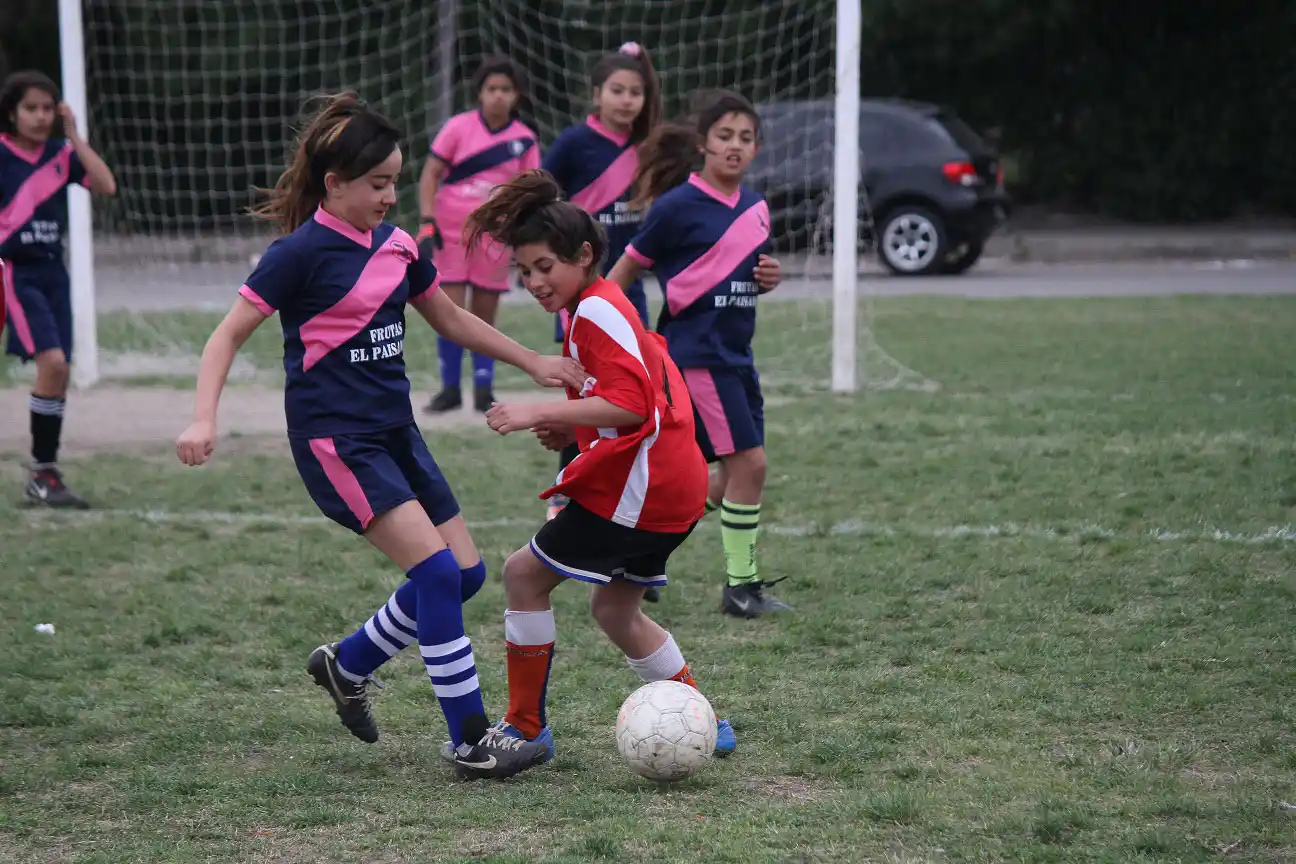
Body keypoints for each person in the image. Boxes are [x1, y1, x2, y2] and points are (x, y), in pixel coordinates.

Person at [174, 93, 584, 781]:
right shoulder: (296, 255)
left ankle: (347, 663)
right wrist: (203, 416)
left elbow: (451, 319)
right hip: (337, 442)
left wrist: (533, 361)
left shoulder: (397, 246)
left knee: (467, 576)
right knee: (433, 574)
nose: (391, 195)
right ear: (333, 184)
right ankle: (470, 740)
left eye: (396, 180)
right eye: (377, 183)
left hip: (396, 433)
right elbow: (227, 335)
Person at [428, 169, 737, 765]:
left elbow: (631, 404)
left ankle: (525, 729)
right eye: (524, 271)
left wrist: (532, 411)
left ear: (585, 255)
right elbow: (638, 395)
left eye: (545, 267)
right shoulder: (600, 306)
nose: (535, 282)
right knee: (615, 608)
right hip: (678, 482)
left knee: (523, 576)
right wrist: (571, 426)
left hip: (643, 488)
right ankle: (703, 717)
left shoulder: (594, 313)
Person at [607, 90, 792, 619]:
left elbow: (738, 278)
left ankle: (634, 557)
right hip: (696, 355)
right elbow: (625, 270)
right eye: (725, 136)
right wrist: (614, 332)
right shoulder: (676, 207)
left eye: (746, 138)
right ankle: (741, 588)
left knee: (719, 478)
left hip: (737, 353)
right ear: (703, 144)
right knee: (750, 465)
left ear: (756, 148)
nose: (735, 146)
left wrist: (768, 279)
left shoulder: (756, 208)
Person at [539, 42, 663, 531]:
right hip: (581, 295)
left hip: (628, 291)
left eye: (636, 91)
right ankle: (566, 504)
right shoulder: (573, 144)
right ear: (596, 94)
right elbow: (545, 200)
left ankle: (631, 518)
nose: (626, 99)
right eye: (617, 90)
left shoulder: (649, 144)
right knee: (584, 399)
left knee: (636, 400)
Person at [1, 70, 116, 508]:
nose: (40, 116)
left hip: (54, 274)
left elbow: (106, 185)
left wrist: (75, 138)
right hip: (17, 273)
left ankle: (43, 474)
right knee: (51, 363)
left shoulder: (60, 155)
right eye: (31, 108)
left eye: (48, 108)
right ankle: (42, 473)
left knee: (60, 371)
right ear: (12, 112)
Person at [419, 57, 540, 415]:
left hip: (495, 237)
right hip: (451, 233)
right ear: (480, 93)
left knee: (485, 316)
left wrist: (522, 239)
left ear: (516, 96)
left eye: (506, 89)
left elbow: (531, 193)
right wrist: (427, 222)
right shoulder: (457, 128)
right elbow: (430, 175)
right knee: (450, 312)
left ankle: (484, 390)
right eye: (492, 89)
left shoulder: (525, 140)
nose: (498, 96)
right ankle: (450, 389)